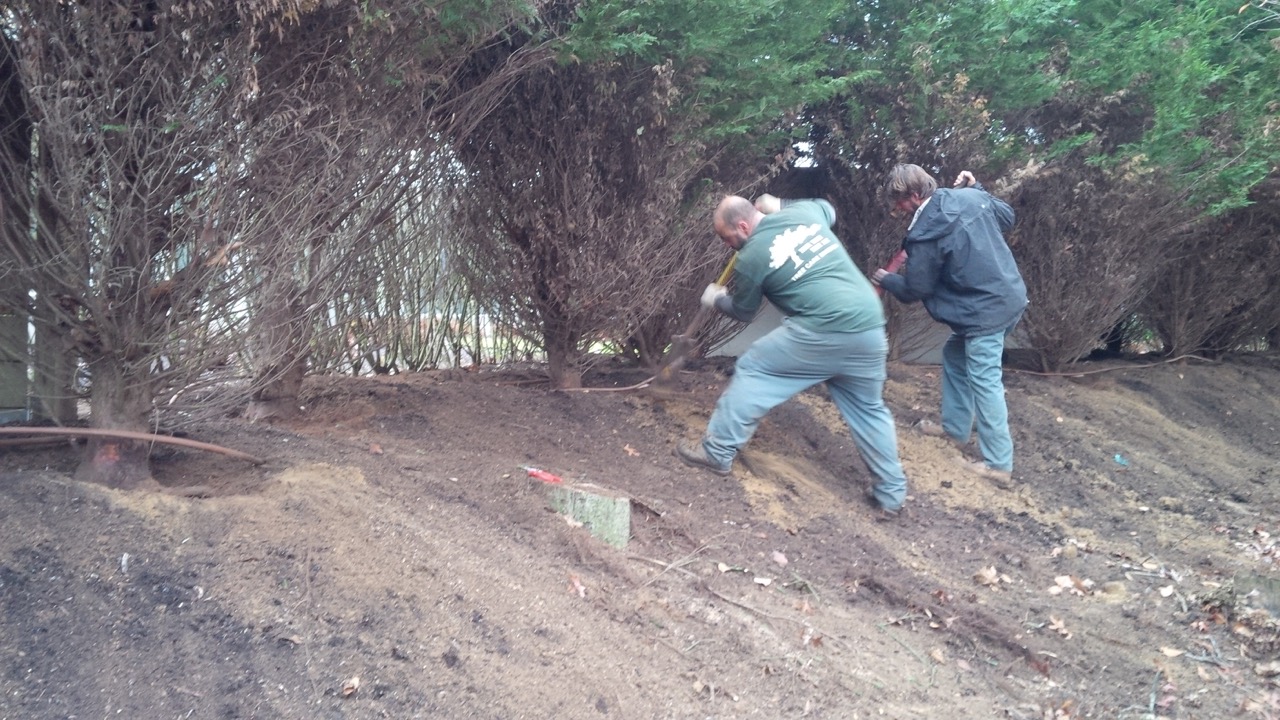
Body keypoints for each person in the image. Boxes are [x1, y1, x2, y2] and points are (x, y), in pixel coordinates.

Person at [675, 193, 909, 516]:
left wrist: (716, 299)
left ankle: (716, 451)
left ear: (743, 226)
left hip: (823, 329)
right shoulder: (803, 214)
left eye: (728, 239)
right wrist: (781, 204)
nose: (728, 247)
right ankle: (891, 494)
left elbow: (743, 311)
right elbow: (828, 209)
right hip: (868, 326)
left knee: (755, 367)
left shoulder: (751, 257)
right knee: (868, 409)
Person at [873, 164, 1028, 487]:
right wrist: (978, 187)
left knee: (985, 379)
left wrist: (887, 279)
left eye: (899, 201)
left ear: (915, 196)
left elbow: (917, 289)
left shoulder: (924, 234)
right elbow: (1007, 216)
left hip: (986, 311)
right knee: (955, 354)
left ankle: (998, 464)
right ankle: (956, 429)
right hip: (1009, 297)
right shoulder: (970, 198)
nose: (897, 209)